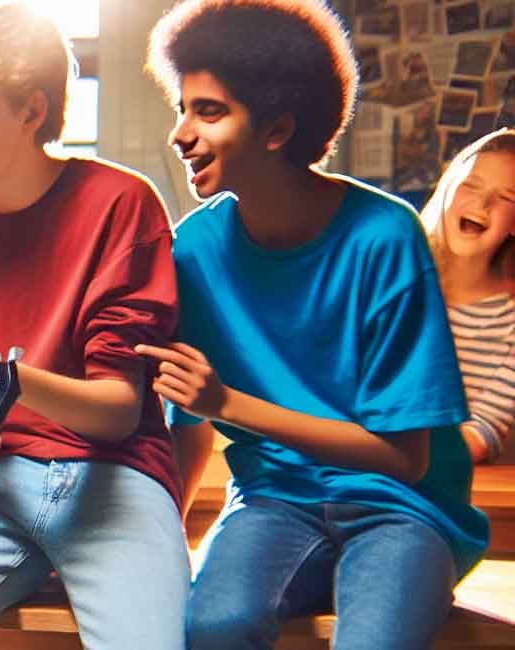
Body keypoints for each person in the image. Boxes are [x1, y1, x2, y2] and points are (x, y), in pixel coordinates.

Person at [142, 0, 490, 648]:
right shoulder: (192, 251)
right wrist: (162, 549)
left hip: (403, 511)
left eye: (208, 111)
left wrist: (228, 403)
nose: (180, 133)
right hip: (272, 505)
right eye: (181, 109)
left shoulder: (385, 237)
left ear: (277, 129)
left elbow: (405, 458)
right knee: (212, 626)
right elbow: (188, 433)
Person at [0, 5, 188, 649]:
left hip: (116, 473)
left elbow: (118, 413)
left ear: (31, 111)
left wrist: (13, 381)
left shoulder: (120, 203)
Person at [421, 129, 515, 464]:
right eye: (471, 185)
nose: (482, 203)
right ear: (447, 187)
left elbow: (480, 436)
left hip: (437, 495)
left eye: (506, 197)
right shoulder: (391, 277)